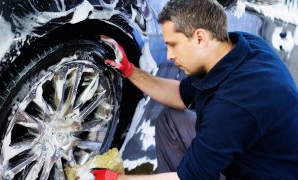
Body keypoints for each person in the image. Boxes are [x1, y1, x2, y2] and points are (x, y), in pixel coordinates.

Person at [91, 0, 298, 179]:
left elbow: (187, 178)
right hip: (251, 155)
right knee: (171, 120)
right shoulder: (241, 46)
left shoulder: (231, 105)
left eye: (173, 45)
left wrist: (113, 178)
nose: (170, 55)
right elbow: (179, 95)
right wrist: (130, 71)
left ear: (200, 38)